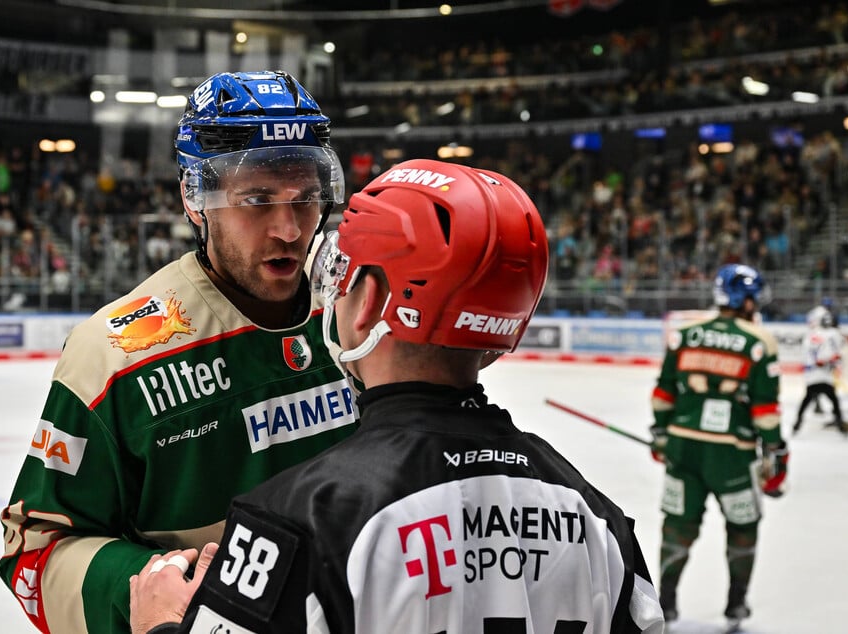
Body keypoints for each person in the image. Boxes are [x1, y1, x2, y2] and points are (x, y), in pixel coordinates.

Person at [128, 158, 666, 634]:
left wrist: (161, 626)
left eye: (344, 272)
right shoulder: (601, 522)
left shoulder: (297, 523)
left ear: (371, 304)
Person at [0, 70, 359, 634]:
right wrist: (145, 583)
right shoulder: (115, 354)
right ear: (197, 199)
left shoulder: (358, 320)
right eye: (257, 200)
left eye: (307, 198)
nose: (290, 229)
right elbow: (34, 552)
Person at [650, 263, 788, 630]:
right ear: (744, 299)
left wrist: (661, 434)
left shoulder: (684, 334)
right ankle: (736, 605)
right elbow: (765, 412)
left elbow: (663, 394)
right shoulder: (759, 342)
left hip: (683, 449)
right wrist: (776, 453)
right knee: (744, 526)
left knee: (676, 527)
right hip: (731, 454)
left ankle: (666, 603)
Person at [794, 305, 846, 434]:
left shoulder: (811, 335)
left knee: (807, 399)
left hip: (813, 375)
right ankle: (839, 423)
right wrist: (832, 361)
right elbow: (833, 355)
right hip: (824, 374)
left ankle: (797, 423)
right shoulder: (833, 334)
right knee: (834, 400)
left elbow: (807, 355)